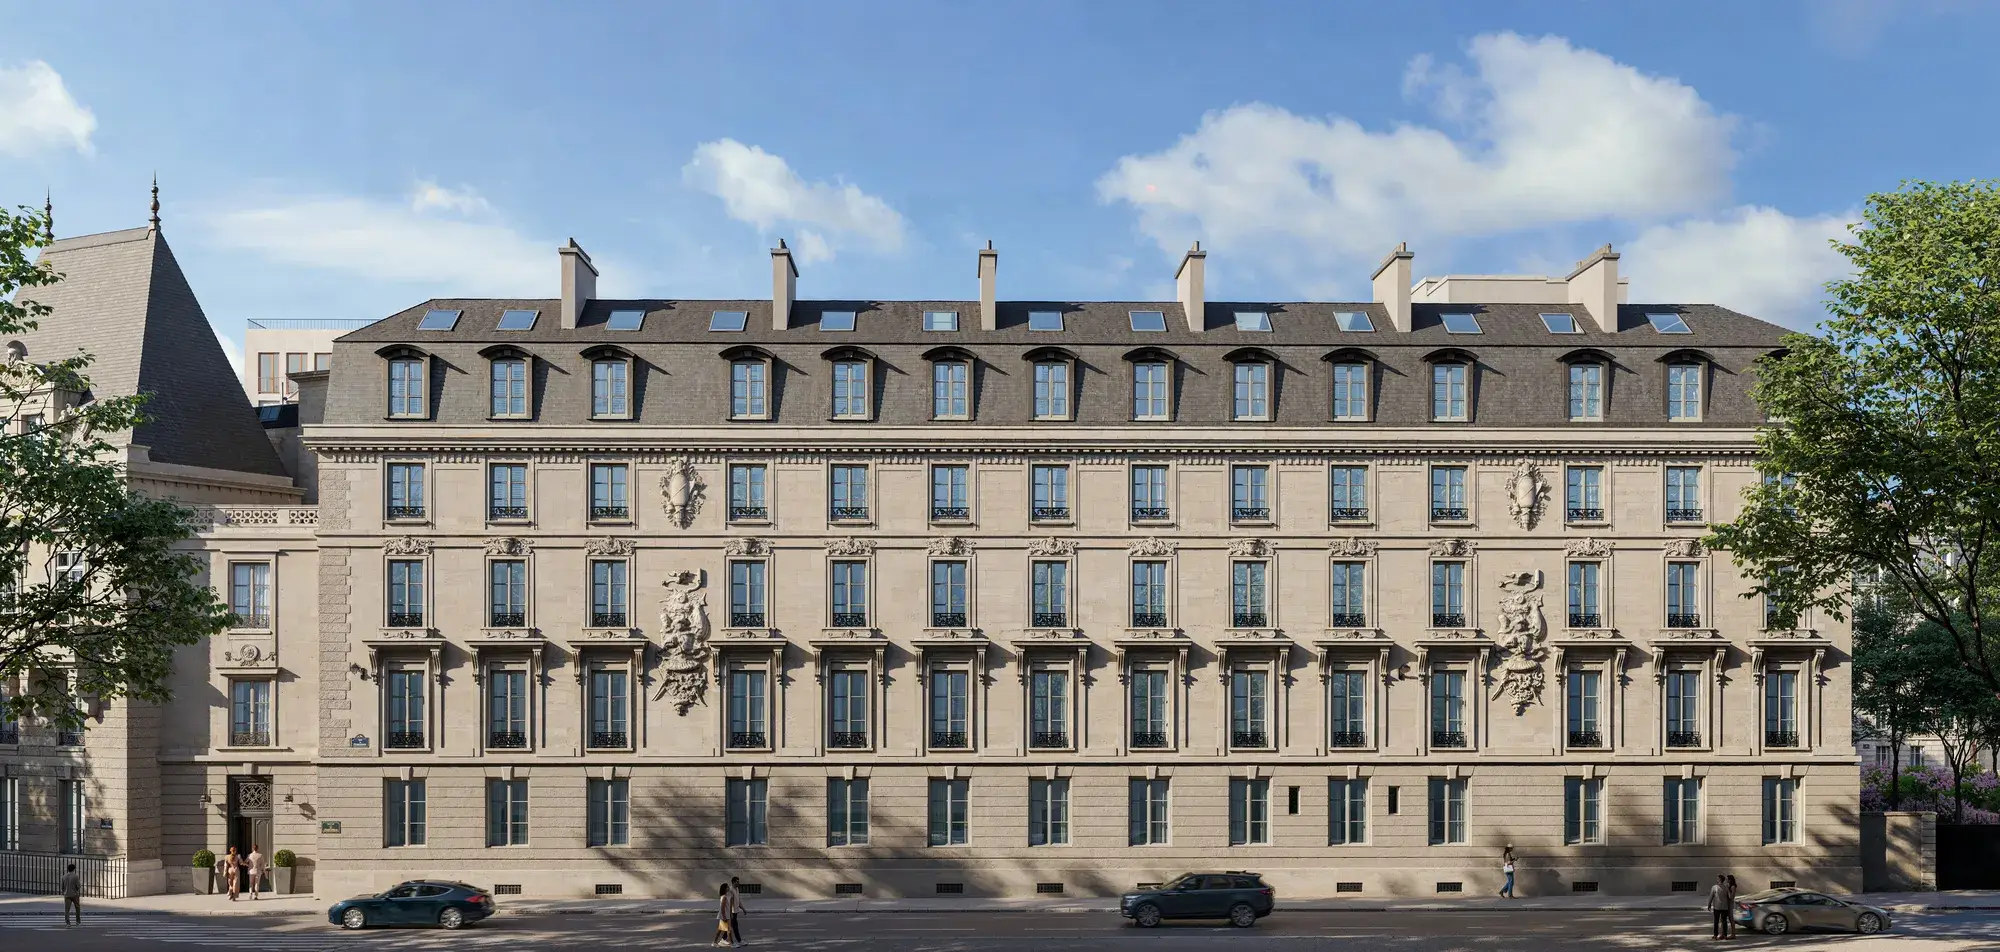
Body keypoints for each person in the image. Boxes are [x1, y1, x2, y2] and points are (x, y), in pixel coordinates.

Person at [713, 883, 736, 948]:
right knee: (729, 930)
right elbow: (722, 908)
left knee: (720, 929)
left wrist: (730, 914)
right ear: (725, 889)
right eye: (727, 887)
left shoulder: (726, 896)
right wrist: (724, 917)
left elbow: (728, 906)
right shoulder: (724, 897)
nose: (728, 888)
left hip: (726, 915)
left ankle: (714, 942)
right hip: (725, 916)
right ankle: (732, 944)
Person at [1706, 875, 1729, 939]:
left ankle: (1715, 935)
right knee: (1724, 921)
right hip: (1725, 907)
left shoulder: (1714, 887)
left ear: (1719, 879)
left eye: (1717, 878)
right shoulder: (1726, 887)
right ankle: (1725, 935)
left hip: (1717, 906)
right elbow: (1729, 896)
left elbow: (1711, 896)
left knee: (1716, 921)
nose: (1717, 879)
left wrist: (1709, 904)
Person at [727, 876, 748, 946]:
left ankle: (723, 939)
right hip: (732, 912)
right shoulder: (730, 890)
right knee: (735, 927)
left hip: (735, 912)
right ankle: (739, 941)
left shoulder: (737, 889)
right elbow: (730, 903)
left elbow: (738, 901)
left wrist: (743, 909)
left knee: (729, 927)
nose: (738, 883)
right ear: (733, 882)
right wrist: (730, 913)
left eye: (738, 881)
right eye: (737, 882)